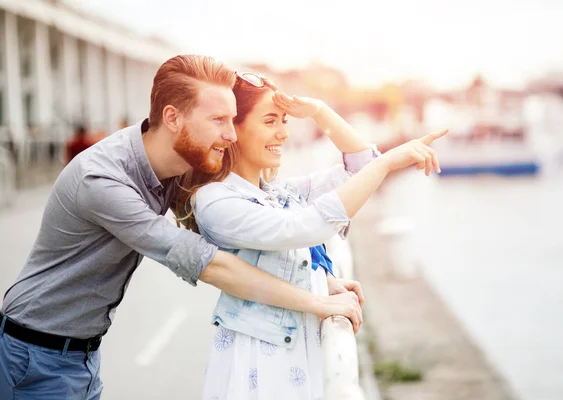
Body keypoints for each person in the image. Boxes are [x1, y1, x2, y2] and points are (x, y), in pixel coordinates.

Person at [0, 55, 362, 400]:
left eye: (232, 119)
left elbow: (246, 235)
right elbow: (211, 264)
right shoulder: (103, 180)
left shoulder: (176, 162)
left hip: (80, 354)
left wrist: (322, 280)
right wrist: (316, 303)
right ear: (172, 117)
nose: (231, 135)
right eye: (218, 120)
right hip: (35, 354)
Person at [174, 72, 448, 398]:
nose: (283, 133)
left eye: (285, 120)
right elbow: (302, 228)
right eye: (270, 121)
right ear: (235, 128)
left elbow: (360, 167)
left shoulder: (277, 193)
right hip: (258, 365)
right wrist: (387, 163)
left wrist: (319, 110)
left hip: (295, 356)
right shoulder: (216, 201)